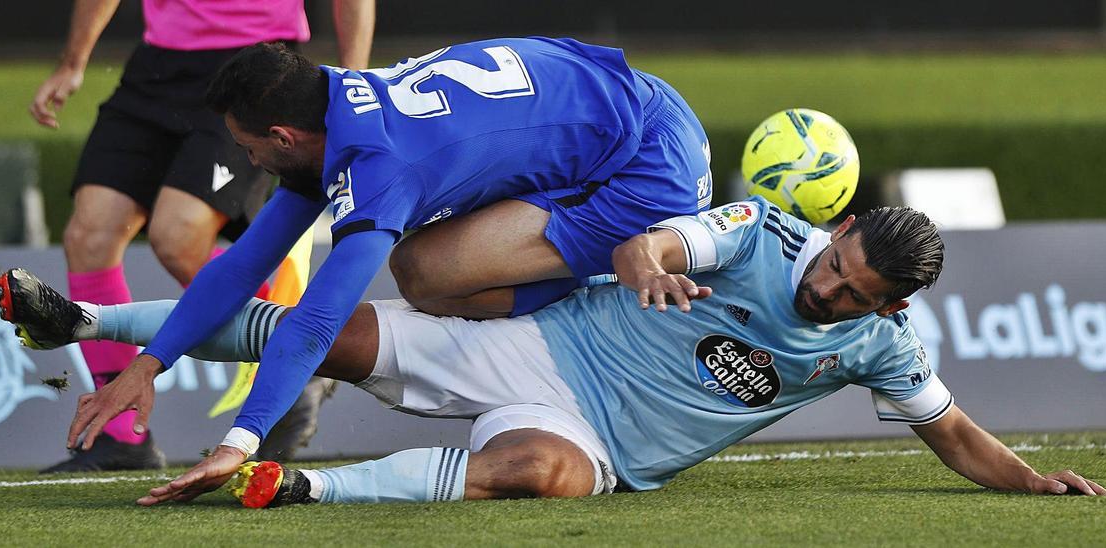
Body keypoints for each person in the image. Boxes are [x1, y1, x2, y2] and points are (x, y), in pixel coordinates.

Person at [0, 199, 1106, 506]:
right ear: (837, 229)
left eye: (847, 287)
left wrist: (1031, 478)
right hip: (533, 345)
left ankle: (285, 487)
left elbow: (951, 429)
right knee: (328, 332)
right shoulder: (766, 232)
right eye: (834, 257)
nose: (824, 280)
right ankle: (81, 322)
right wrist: (656, 258)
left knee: (529, 476)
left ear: (882, 303)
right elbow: (660, 237)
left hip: (597, 442)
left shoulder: (879, 343)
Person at [57, 36, 717, 468]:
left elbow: (316, 321)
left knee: (424, 272)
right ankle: (567, 277)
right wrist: (149, 364)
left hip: (648, 170)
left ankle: (584, 300)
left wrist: (241, 440)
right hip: (626, 105)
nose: (246, 160)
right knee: (429, 267)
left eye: (247, 147)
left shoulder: (378, 166)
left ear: (284, 137)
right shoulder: (329, 96)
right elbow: (242, 264)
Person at [28, 0, 374, 472]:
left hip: (254, 69)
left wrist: (348, 87)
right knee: (89, 235)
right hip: (157, 65)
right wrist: (73, 61)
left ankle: (297, 351)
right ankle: (119, 437)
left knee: (177, 236)